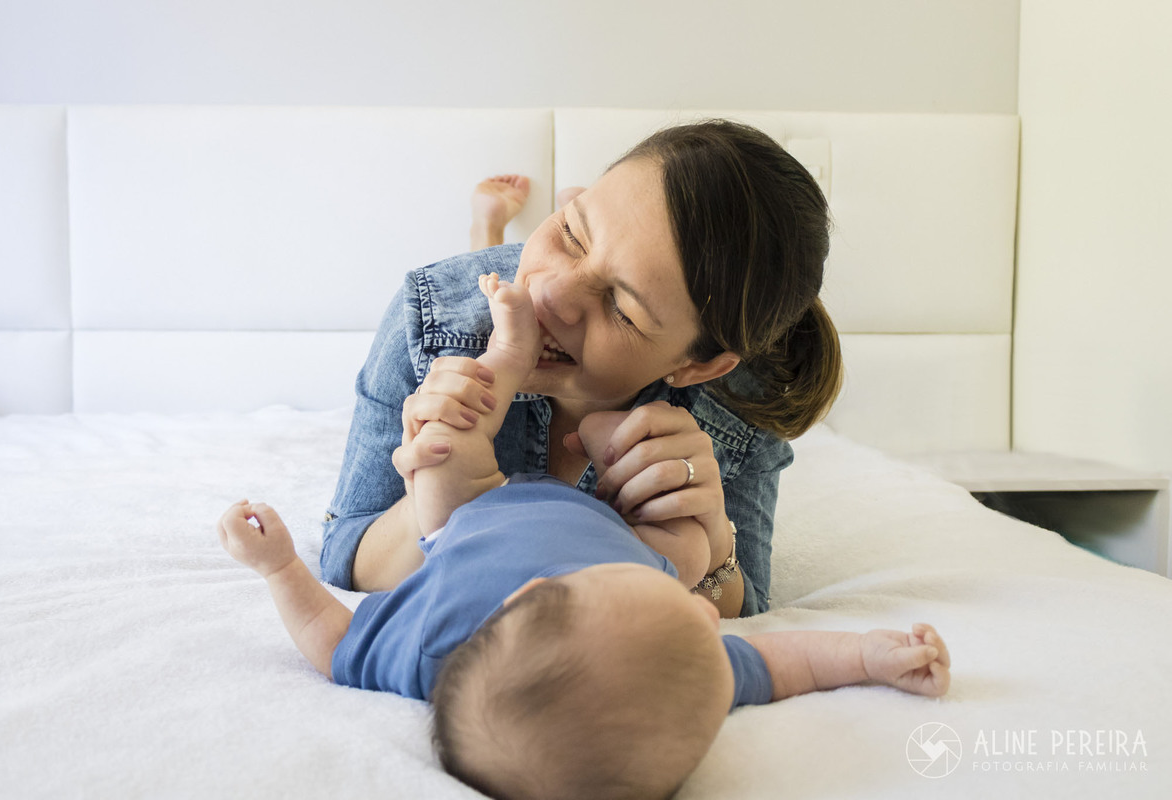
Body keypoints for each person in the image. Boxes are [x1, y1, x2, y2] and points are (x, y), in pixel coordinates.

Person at [217, 274, 951, 800]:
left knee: (447, 444)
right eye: (702, 627)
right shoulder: (677, 673)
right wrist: (867, 654)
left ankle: (506, 353)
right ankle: (597, 417)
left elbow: (329, 635)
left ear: (531, 597)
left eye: (681, 614)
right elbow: (788, 663)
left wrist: (277, 566)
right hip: (620, 523)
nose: (705, 617)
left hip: (476, 512)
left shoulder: (432, 650)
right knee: (685, 547)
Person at [322, 119, 844, 618]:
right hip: (475, 292)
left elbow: (747, 606)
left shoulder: (746, 396)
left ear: (698, 366)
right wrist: (435, 500)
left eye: (622, 307)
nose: (548, 293)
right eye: (572, 232)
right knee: (494, 293)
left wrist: (710, 552)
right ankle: (490, 227)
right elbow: (344, 555)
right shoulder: (433, 313)